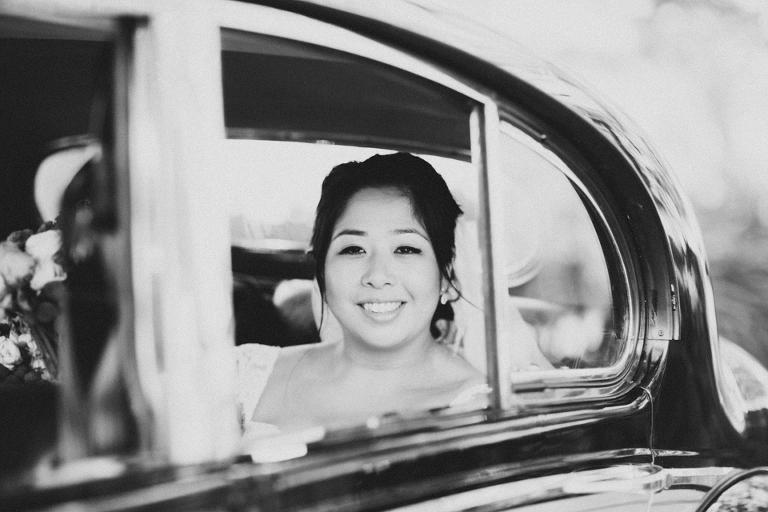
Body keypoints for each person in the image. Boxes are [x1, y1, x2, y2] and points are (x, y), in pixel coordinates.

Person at [239, 153, 489, 434]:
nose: (378, 276)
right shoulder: (245, 376)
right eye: (353, 249)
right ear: (322, 270)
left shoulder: (482, 408)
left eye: (406, 249)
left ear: (445, 274)